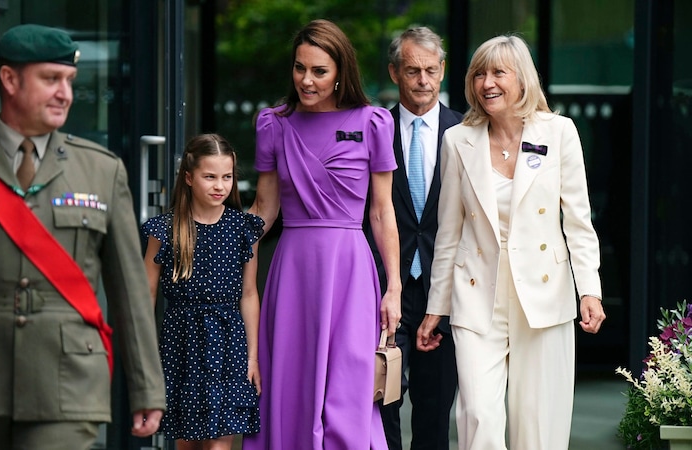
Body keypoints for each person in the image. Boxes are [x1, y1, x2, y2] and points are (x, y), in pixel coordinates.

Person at [0, 24, 165, 449]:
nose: (65, 94)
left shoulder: (102, 170)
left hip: (67, 385)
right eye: (50, 79)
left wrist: (148, 387)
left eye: (70, 82)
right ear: (10, 79)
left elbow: (130, 289)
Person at [416, 35, 606, 450]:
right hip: (476, 293)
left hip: (543, 293)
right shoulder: (458, 141)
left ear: (522, 79)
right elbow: (449, 233)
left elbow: (578, 221)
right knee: (479, 416)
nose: (487, 83)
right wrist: (436, 307)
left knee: (537, 425)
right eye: (479, 74)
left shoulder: (559, 133)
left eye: (498, 72)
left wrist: (589, 290)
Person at [242, 19, 402, 450]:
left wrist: (395, 287)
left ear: (339, 74)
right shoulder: (273, 124)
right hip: (294, 268)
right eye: (299, 68)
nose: (306, 80)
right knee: (292, 379)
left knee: (349, 384)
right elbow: (263, 208)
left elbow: (382, 211)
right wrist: (226, 259)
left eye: (319, 71)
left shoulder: (373, 122)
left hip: (350, 269)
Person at [365, 27, 462, 450]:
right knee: (380, 401)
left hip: (447, 289)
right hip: (385, 286)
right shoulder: (374, 127)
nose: (423, 81)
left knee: (435, 407)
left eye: (430, 70)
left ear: (442, 71)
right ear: (393, 73)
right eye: (412, 71)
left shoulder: (466, 132)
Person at [141, 134, 263, 450]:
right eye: (210, 176)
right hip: (181, 343)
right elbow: (146, 295)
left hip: (228, 344)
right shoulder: (165, 229)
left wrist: (253, 356)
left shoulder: (243, 229)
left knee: (220, 443)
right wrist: (146, 355)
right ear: (189, 177)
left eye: (227, 177)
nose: (219, 185)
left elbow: (249, 294)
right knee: (186, 443)